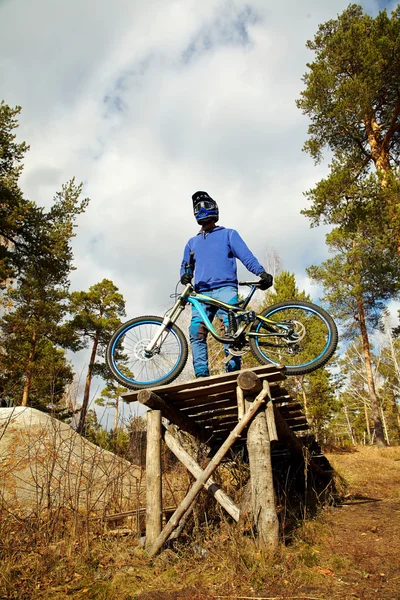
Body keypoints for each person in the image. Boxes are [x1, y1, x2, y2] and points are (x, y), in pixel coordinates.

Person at [180, 190, 273, 378]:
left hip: (226, 288)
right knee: (195, 332)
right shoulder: (192, 243)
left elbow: (246, 256)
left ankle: (233, 374)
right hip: (201, 294)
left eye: (205, 205)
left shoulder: (229, 234)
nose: (202, 210)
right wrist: (184, 275)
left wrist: (261, 272)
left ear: (214, 208)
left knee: (229, 332)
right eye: (198, 207)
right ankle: (201, 376)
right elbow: (185, 266)